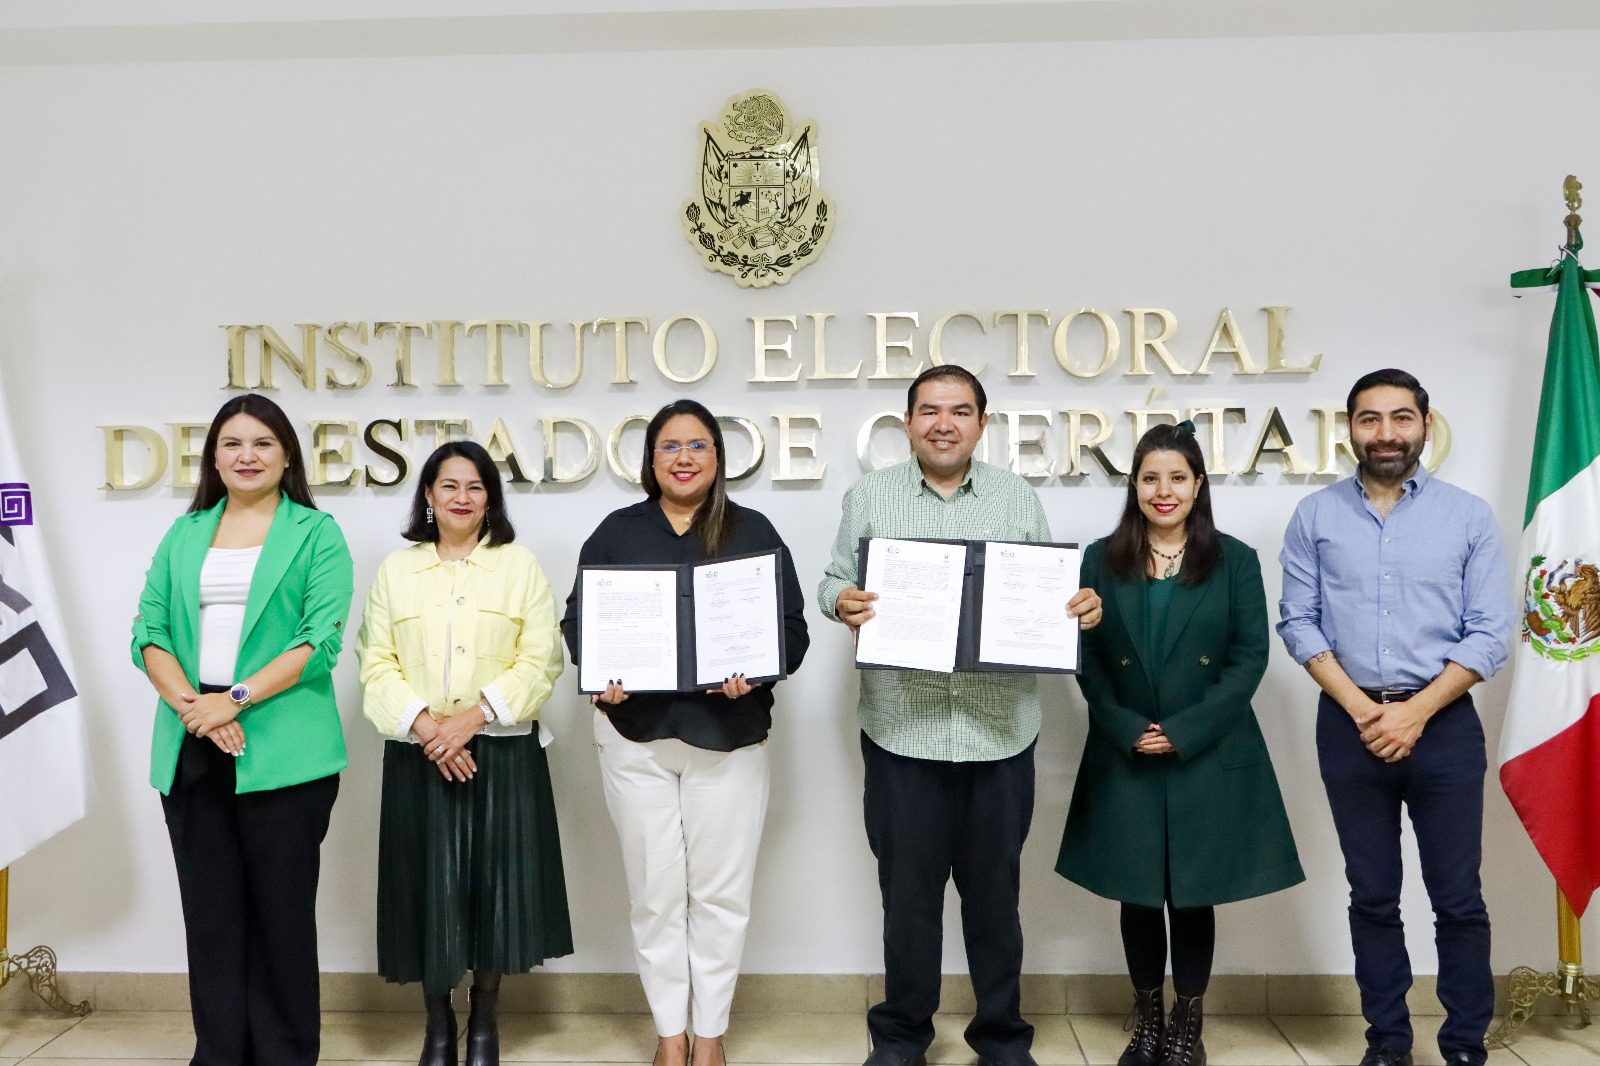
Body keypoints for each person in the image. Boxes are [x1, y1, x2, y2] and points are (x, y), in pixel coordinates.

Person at [818, 364, 1103, 1066]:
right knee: (907, 903)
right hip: (901, 732)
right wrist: (841, 601)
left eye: (960, 410)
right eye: (929, 410)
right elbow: (831, 580)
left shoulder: (1015, 498)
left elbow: (1043, 595)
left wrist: (1077, 609)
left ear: (982, 422)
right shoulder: (870, 497)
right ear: (908, 421)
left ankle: (1001, 1038)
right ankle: (902, 1037)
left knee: (994, 903)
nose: (944, 422)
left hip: (998, 735)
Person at [561, 399, 809, 1066]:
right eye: (670, 446)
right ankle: (669, 1033)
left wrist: (754, 674)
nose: (683, 458)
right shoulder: (616, 532)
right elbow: (578, 622)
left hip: (729, 739)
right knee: (655, 894)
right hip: (634, 738)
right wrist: (601, 672)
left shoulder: (754, 531)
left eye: (697, 446)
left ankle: (709, 1036)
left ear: (718, 459)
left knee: (721, 896)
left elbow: (792, 630)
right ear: (650, 460)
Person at [1278, 369, 1514, 1066]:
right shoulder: (1315, 517)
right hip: (1348, 727)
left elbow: (1490, 632)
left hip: (1443, 726)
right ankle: (1387, 1042)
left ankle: (1465, 1042)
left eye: (1400, 418)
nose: (1386, 434)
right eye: (1370, 419)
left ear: (1425, 425)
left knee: (1458, 897)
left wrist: (1413, 712)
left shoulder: (1468, 516)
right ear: (1349, 428)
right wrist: (1365, 711)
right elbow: (1299, 623)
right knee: (1372, 894)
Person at [1056, 422, 1304, 1066]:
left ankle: (1187, 1026)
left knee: (1193, 893)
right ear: (1133, 486)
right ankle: (1147, 1023)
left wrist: (1186, 730)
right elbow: (1084, 657)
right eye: (1149, 478)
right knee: (1136, 892)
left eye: (1177, 478)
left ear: (1198, 486)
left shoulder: (1236, 559)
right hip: (1126, 747)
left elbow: (1249, 658)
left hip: (1206, 752)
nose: (1163, 491)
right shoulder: (1098, 558)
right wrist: (1123, 725)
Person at [132, 393, 353, 1066]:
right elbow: (150, 632)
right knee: (212, 918)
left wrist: (233, 699)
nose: (246, 455)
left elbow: (321, 642)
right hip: (191, 739)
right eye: (232, 443)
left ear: (287, 455)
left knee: (281, 918)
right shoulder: (184, 533)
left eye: (262, 442)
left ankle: (286, 1055)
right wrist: (193, 708)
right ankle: (220, 1052)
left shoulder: (317, 533)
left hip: (285, 748)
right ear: (214, 457)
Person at [358, 440, 572, 1066]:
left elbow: (542, 659)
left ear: (490, 499)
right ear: (428, 494)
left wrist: (471, 719)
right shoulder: (397, 572)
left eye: (475, 487)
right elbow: (374, 661)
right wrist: (429, 727)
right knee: (427, 888)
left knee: (492, 889)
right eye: (448, 486)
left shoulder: (520, 566)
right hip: (419, 751)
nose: (461, 498)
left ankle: (484, 1018)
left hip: (499, 752)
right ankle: (436, 1023)